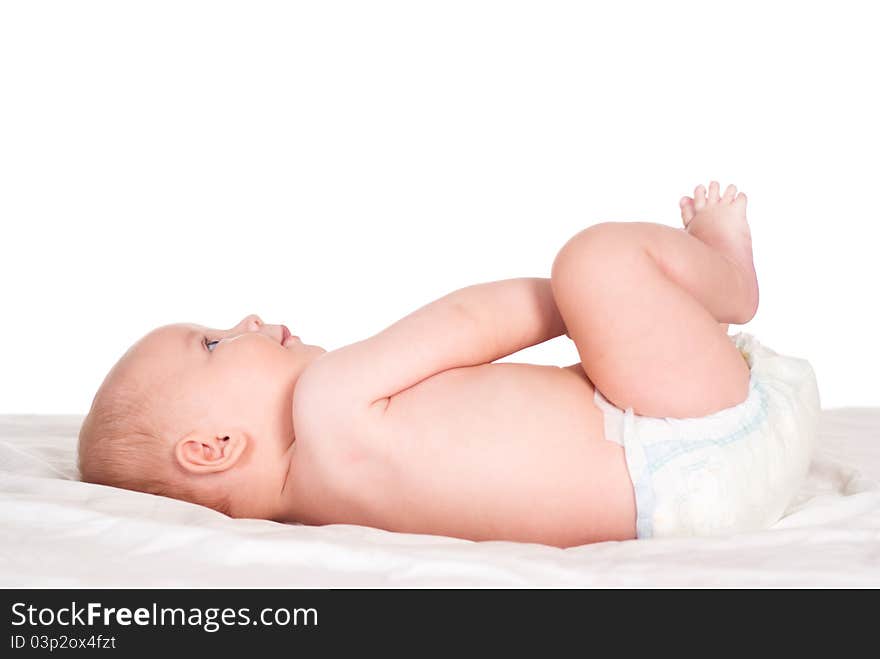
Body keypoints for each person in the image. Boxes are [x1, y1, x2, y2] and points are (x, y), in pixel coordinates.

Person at [78, 181, 819, 548]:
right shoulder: (329, 404)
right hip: (690, 441)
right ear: (214, 449)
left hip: (683, 499)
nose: (241, 320)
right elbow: (475, 322)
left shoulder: (329, 511)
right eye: (211, 343)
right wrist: (603, 304)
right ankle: (728, 282)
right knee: (593, 259)